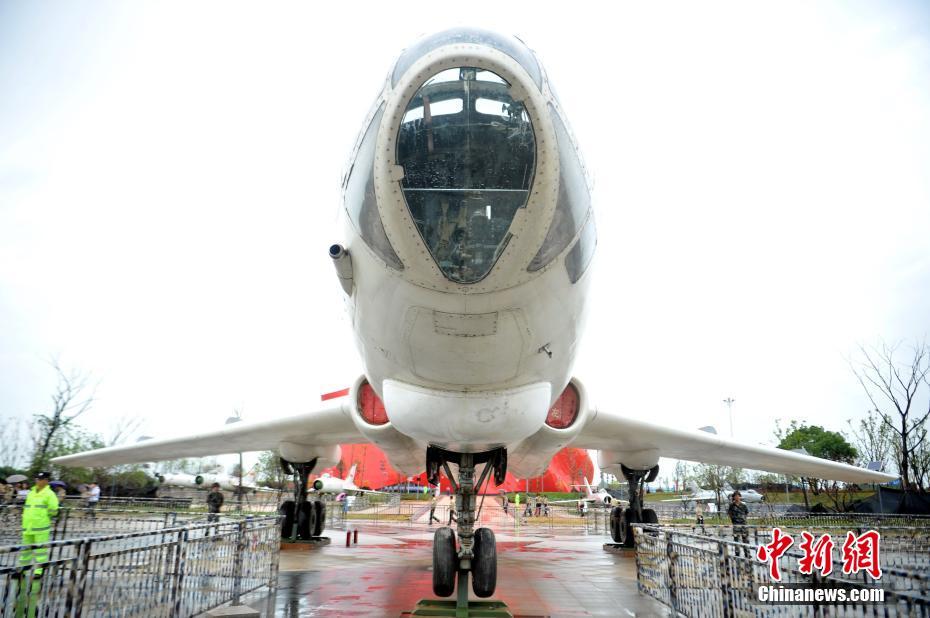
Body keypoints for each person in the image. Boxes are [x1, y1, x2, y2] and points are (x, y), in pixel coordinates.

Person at [18, 472, 59, 578]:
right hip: (28, 526)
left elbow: (54, 510)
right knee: (25, 550)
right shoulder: (31, 492)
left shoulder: (50, 494)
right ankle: (22, 570)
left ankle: (39, 571)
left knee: (40, 551)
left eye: (40, 479)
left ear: (46, 481)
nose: (38, 481)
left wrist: (43, 517)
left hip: (41, 527)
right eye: (37, 479)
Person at [727, 491, 750, 556]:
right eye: (735, 496)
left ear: (740, 497)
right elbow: (729, 514)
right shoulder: (731, 505)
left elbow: (747, 513)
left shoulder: (743, 505)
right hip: (736, 525)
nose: (737, 497)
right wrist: (733, 520)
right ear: (734, 497)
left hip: (743, 525)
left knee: (745, 540)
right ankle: (737, 554)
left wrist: (743, 519)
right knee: (736, 540)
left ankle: (747, 553)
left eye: (738, 496)